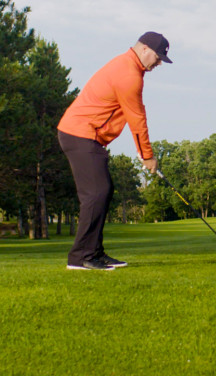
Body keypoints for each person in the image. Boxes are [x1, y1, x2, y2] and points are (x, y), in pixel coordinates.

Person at [58, 32, 172, 270]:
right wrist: (148, 156)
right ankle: (80, 257)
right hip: (81, 134)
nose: (159, 63)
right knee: (96, 192)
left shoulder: (127, 65)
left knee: (103, 191)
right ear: (143, 49)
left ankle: (94, 252)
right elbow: (137, 119)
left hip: (85, 135)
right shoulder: (129, 74)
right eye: (158, 57)